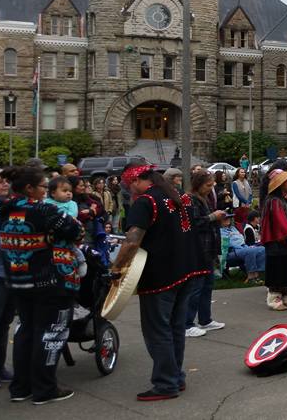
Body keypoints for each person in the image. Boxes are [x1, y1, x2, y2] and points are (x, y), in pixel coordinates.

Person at [111, 164, 202, 401]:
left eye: (129, 184)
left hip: (160, 274)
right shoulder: (177, 194)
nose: (130, 189)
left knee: (158, 331)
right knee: (175, 328)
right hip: (186, 269)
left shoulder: (146, 201)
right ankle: (176, 377)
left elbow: (132, 241)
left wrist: (116, 268)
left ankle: (166, 383)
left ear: (137, 180)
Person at [0, 166, 83, 404]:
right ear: (29, 188)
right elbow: (76, 230)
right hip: (51, 281)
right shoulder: (45, 210)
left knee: (26, 330)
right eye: (44, 187)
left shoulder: (4, 209)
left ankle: (21, 387)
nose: (46, 191)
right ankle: (45, 389)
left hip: (18, 281)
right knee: (51, 332)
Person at [184, 170, 226, 338]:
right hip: (198, 249)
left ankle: (205, 319)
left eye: (212, 185)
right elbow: (193, 223)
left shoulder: (204, 198)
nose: (210, 188)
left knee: (208, 285)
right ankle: (187, 324)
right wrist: (212, 217)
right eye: (208, 185)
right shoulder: (191, 200)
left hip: (208, 248)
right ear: (198, 185)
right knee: (196, 287)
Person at [261, 169, 287, 311]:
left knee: (285, 268)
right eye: (286, 181)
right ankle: (274, 297)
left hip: (283, 240)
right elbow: (281, 221)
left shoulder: (281, 200)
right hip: (276, 240)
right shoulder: (274, 201)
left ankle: (285, 294)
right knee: (277, 268)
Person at [0, 167, 13, 391]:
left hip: (8, 273)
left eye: (6, 180)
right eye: (0, 181)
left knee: (3, 324)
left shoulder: (5, 206)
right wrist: (14, 239)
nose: (5, 184)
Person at [221, 214, 265, 283]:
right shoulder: (219, 231)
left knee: (262, 249)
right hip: (229, 252)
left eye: (229, 218)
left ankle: (257, 274)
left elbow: (241, 239)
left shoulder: (233, 228)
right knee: (250, 251)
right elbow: (228, 243)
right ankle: (250, 277)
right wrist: (237, 241)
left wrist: (242, 244)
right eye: (225, 218)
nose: (228, 219)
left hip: (243, 248)